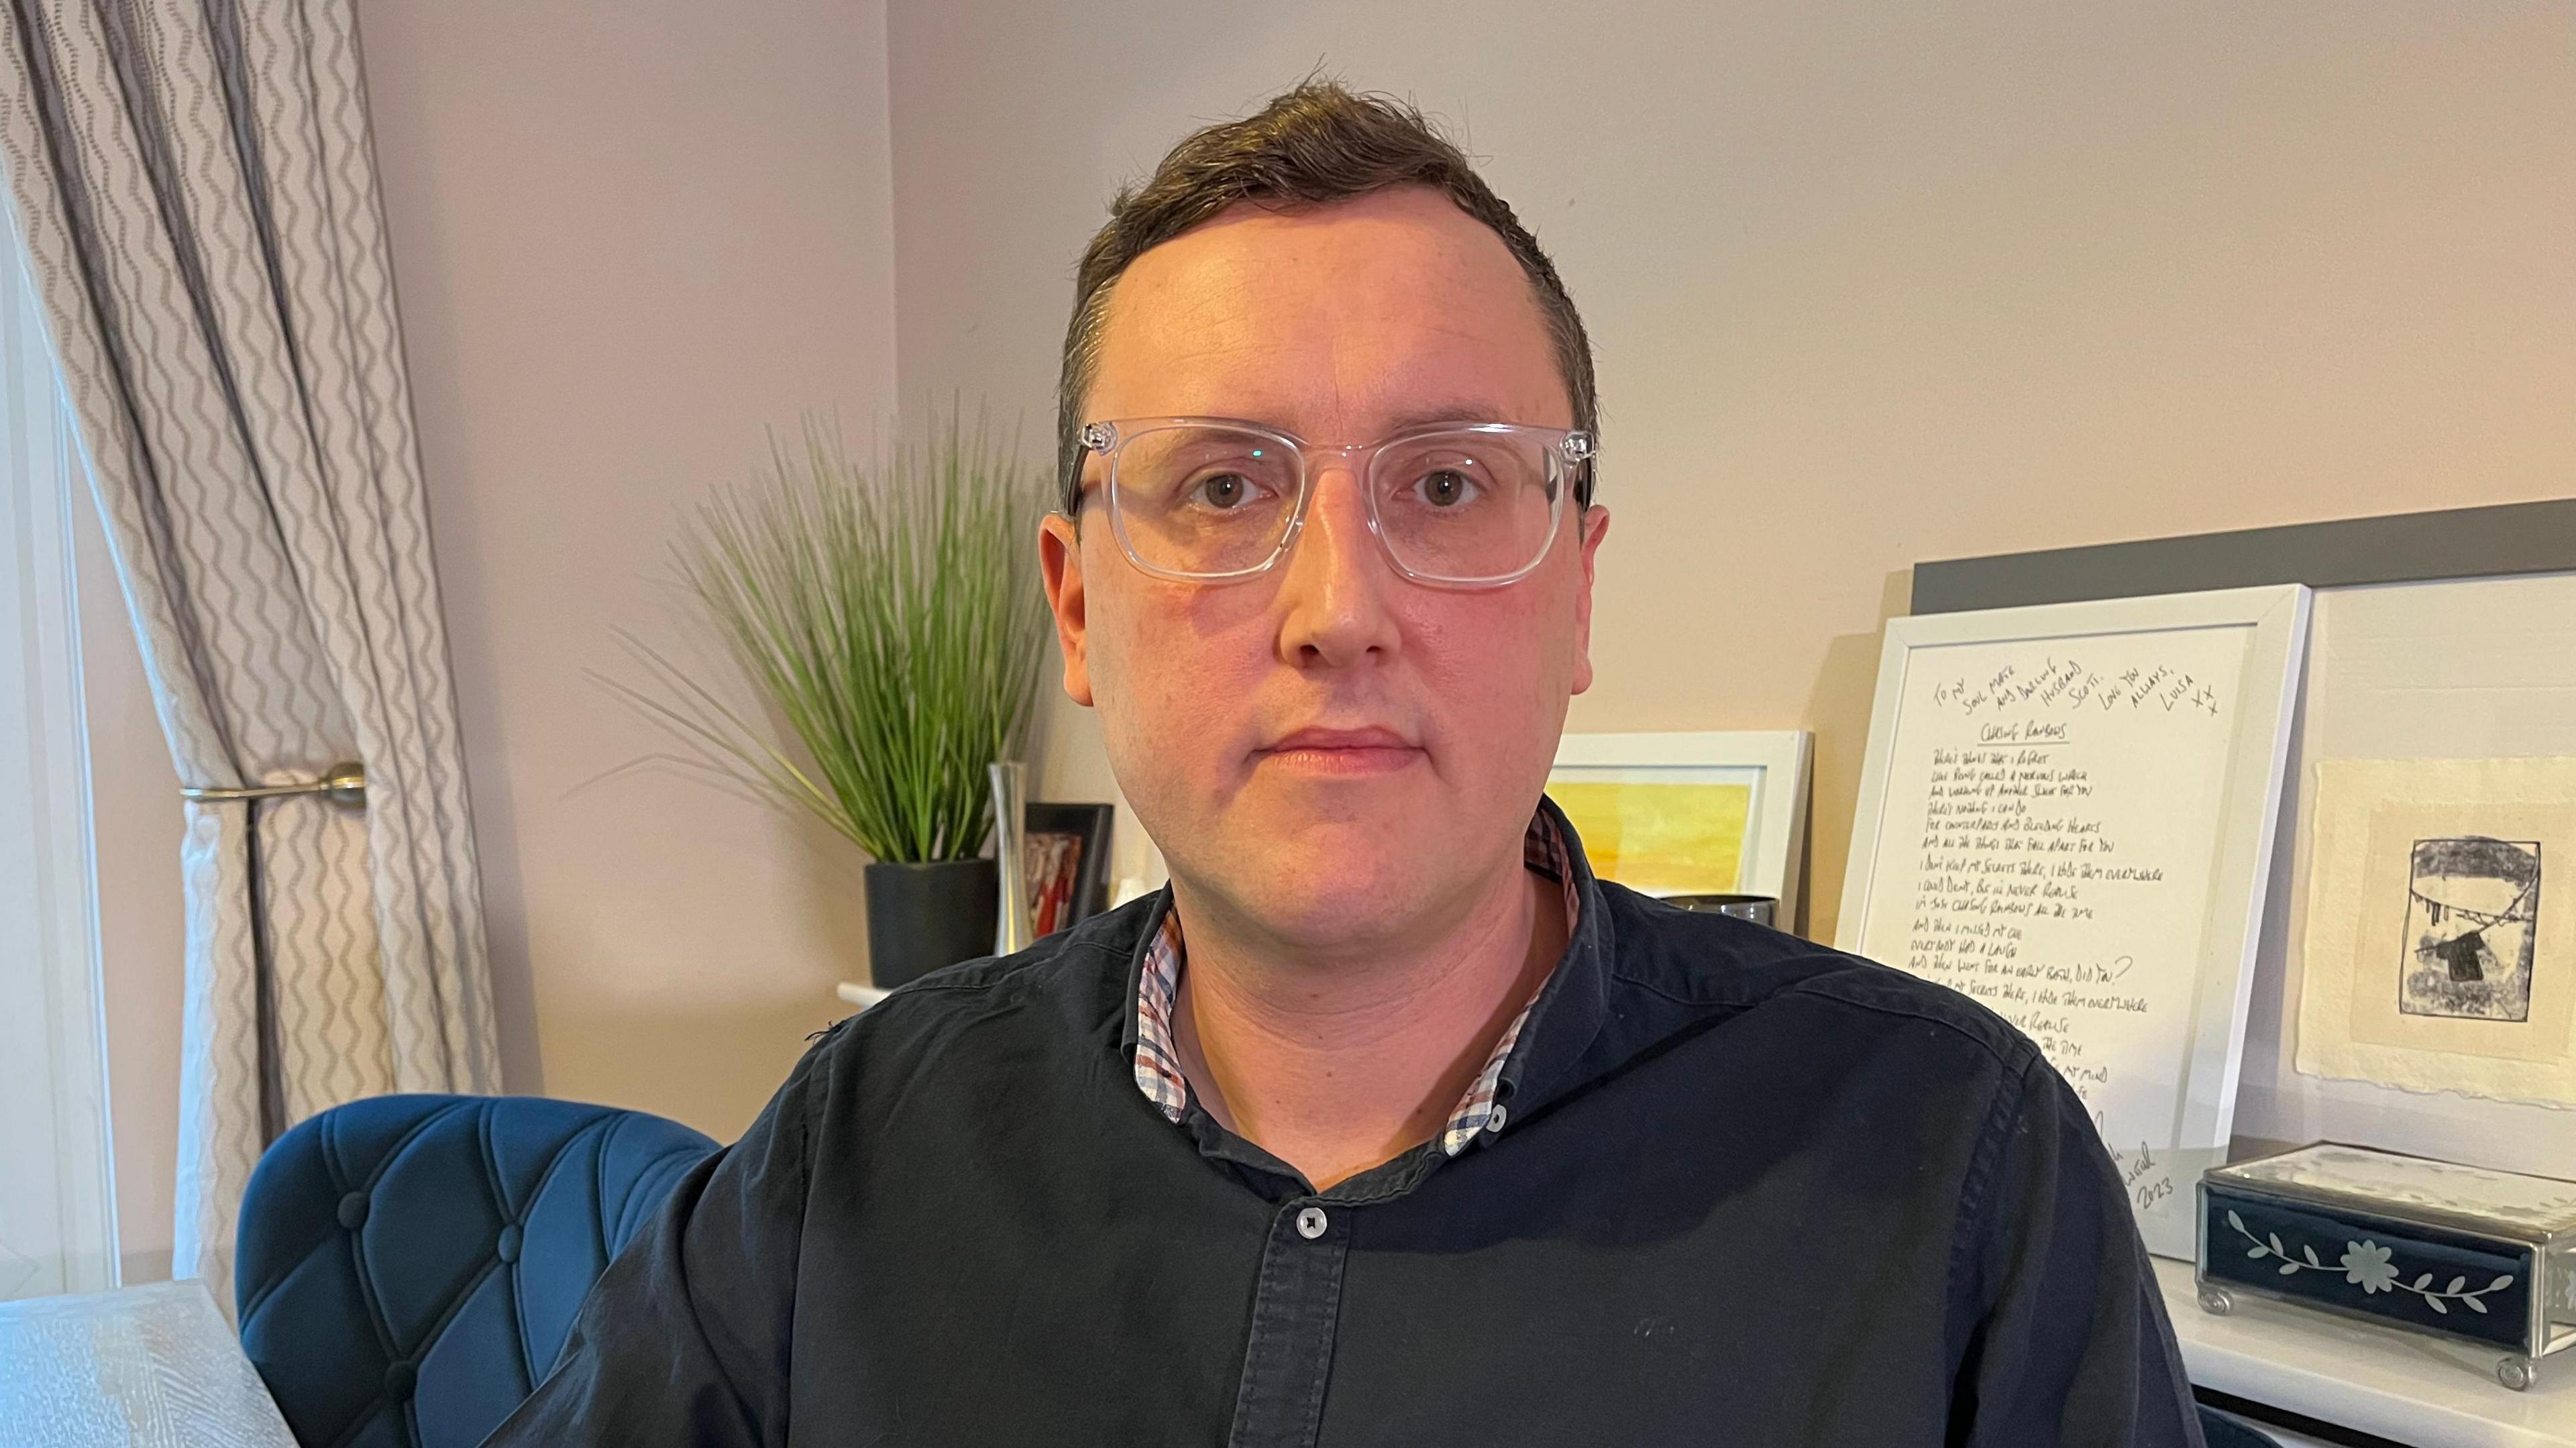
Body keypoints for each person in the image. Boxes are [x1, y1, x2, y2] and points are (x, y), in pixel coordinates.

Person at [490, 81, 2203, 1447]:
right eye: (1222, 487)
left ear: (1580, 586)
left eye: (1447, 484)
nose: (1338, 608)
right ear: (1078, 610)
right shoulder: (853, 1144)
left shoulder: (1957, 1169)